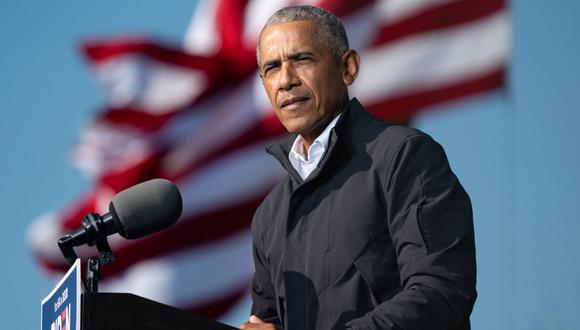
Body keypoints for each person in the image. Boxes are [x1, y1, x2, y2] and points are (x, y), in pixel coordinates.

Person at [241, 5, 476, 330]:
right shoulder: (269, 215)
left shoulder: (405, 157)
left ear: (348, 68)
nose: (286, 80)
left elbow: (441, 294)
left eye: (302, 59)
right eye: (271, 68)